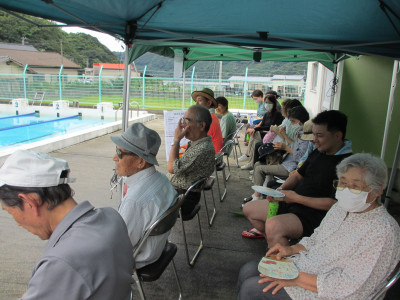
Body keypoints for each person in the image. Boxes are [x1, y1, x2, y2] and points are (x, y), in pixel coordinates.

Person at [238, 153, 400, 300]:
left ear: (377, 190)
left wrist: (295, 279)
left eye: (355, 186)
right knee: (248, 270)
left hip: (329, 291)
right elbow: (317, 238)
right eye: (342, 183)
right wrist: (292, 249)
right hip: (309, 268)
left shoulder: (383, 231)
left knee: (251, 289)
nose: (346, 190)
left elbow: (354, 288)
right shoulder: (340, 208)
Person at [0, 150, 133, 300]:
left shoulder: (61, 262)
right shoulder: (112, 217)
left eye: (10, 212)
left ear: (29, 202)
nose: (17, 223)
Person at [242, 110, 352, 246]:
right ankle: (278, 243)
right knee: (249, 209)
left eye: (319, 135)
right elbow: (298, 176)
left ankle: (282, 250)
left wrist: (295, 198)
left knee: (274, 226)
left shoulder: (348, 165)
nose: (314, 140)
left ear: (338, 136)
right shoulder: (319, 152)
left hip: (314, 215)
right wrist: (278, 192)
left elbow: (334, 204)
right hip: (292, 203)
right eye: (314, 135)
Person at [111, 123, 177, 268]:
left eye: (120, 152)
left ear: (141, 162)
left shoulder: (134, 201)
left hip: (139, 257)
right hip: (155, 249)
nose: (115, 157)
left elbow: (119, 247)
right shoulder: (162, 180)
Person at [167, 105, 215, 215]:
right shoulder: (200, 143)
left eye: (187, 121)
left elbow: (171, 168)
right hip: (179, 192)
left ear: (202, 125)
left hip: (181, 199)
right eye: (183, 120)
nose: (183, 125)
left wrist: (176, 140)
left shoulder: (201, 149)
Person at [241, 95, 284, 170]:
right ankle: (250, 160)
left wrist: (256, 129)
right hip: (265, 133)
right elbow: (263, 125)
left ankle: (250, 160)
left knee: (255, 135)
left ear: (274, 103)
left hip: (272, 136)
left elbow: (271, 127)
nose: (267, 104)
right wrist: (256, 129)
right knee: (254, 135)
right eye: (266, 102)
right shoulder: (267, 114)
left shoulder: (277, 114)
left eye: (269, 102)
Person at [192, 88, 224, 153]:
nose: (196, 104)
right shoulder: (210, 117)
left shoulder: (209, 119)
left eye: (199, 100)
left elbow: (199, 143)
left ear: (209, 103)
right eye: (196, 101)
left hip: (212, 156)